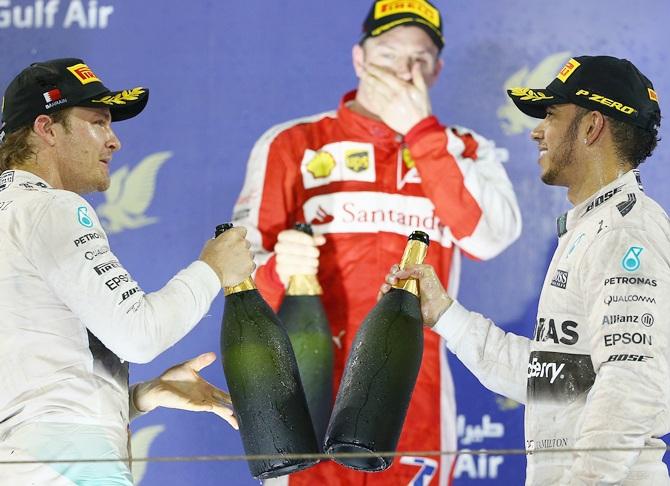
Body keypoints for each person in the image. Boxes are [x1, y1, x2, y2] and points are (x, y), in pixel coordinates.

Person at [232, 1, 521, 484]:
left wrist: (424, 137)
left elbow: (488, 238)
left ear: (437, 70)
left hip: (415, 403)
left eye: (421, 59)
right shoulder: (292, 144)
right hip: (307, 398)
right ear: (359, 58)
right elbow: (240, 281)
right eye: (389, 54)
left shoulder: (463, 148)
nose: (405, 72)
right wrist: (278, 269)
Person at [382, 55, 669, 485]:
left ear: (592, 127)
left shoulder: (624, 232)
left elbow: (634, 380)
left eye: (551, 115)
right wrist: (445, 314)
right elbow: (553, 379)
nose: (537, 131)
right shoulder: (593, 226)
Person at [0, 58, 255, 485]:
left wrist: (136, 398)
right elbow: (139, 335)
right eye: (98, 122)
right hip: (68, 464)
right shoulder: (52, 208)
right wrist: (213, 269)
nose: (114, 141)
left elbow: (31, 374)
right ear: (46, 129)